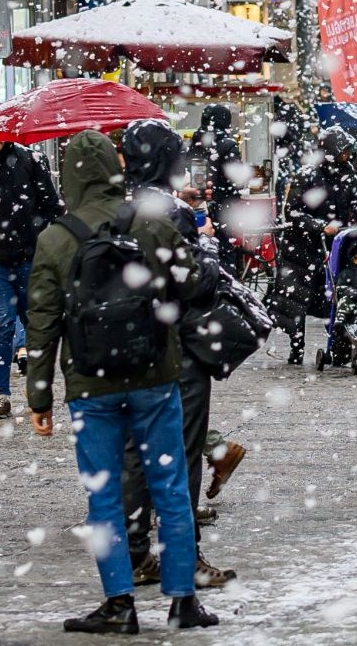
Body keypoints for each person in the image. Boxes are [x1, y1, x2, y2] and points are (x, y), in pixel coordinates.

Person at [24, 129, 219, 635]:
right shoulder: (151, 219)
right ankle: (182, 600)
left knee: (104, 495)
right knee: (171, 486)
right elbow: (194, 282)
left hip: (92, 384)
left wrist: (39, 395)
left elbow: (41, 322)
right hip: (155, 373)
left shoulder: (55, 238)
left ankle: (118, 603)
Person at [116, 121, 238, 590]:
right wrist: (206, 250)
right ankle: (181, 555)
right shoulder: (170, 212)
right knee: (181, 450)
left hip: (125, 346)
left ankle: (134, 552)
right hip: (176, 344)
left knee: (134, 451)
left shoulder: (113, 209)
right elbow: (195, 282)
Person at [268, 127, 357, 364]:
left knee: (335, 297)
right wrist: (318, 225)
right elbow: (293, 212)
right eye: (343, 152)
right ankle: (296, 347)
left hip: (334, 244)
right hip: (302, 247)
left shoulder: (348, 174)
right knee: (297, 301)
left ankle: (338, 346)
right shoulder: (306, 175)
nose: (347, 157)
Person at [0, 139, 62, 419]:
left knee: (34, 323)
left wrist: (38, 236)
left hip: (28, 256)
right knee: (0, 324)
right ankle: (2, 394)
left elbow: (51, 205)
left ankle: (36, 388)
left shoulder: (31, 160)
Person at [189, 104, 247, 272]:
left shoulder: (196, 141)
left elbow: (196, 178)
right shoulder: (227, 144)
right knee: (225, 252)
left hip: (200, 207)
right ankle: (226, 287)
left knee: (203, 248)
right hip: (224, 209)